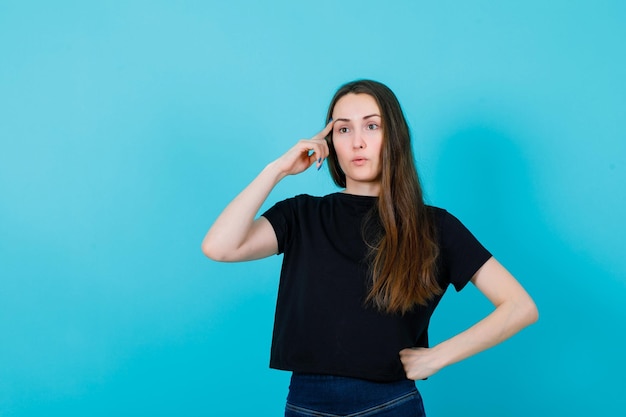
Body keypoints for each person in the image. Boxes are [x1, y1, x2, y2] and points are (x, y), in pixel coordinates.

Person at [202, 80, 538, 416]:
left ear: (394, 137)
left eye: (372, 126)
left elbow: (520, 306)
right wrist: (276, 170)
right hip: (307, 403)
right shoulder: (301, 214)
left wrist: (439, 356)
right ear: (329, 142)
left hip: (389, 403)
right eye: (343, 129)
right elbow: (220, 247)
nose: (357, 142)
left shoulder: (434, 226)